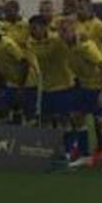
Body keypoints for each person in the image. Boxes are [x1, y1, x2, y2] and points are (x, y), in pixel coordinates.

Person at [62, 20, 102, 173]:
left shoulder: (86, 47)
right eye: (61, 31)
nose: (62, 34)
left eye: (65, 31)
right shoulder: (68, 48)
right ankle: (85, 155)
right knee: (76, 116)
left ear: (74, 31)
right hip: (85, 87)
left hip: (100, 86)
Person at [28, 15, 81, 165]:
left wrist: (68, 29)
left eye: (35, 28)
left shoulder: (57, 40)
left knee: (65, 121)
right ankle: (50, 150)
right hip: (45, 88)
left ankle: (70, 150)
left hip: (63, 86)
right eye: (30, 28)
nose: (32, 31)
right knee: (46, 121)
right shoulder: (31, 43)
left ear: (45, 27)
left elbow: (73, 44)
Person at [0, 0, 37, 123]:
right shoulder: (3, 27)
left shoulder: (26, 26)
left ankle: (32, 139)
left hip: (28, 75)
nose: (6, 14)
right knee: (12, 109)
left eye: (9, 11)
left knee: (29, 112)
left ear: (16, 10)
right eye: (5, 11)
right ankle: (16, 137)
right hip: (11, 75)